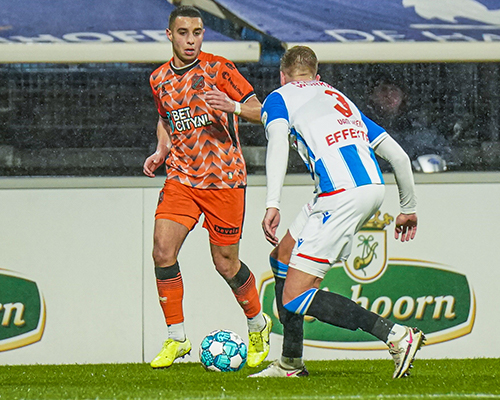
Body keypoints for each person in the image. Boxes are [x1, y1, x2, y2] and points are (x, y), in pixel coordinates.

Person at [249, 46, 424, 379]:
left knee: (295, 295)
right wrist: (408, 209)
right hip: (368, 186)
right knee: (282, 257)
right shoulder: (338, 98)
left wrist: (273, 203)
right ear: (317, 76)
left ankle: (397, 335)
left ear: (282, 76)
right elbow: (399, 157)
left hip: (339, 194)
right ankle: (290, 362)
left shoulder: (280, 97)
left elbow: (278, 146)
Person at [142, 5, 272, 369]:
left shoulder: (219, 69)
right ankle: (176, 339)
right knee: (161, 251)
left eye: (197, 32)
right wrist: (161, 149)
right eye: (183, 33)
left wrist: (232, 105)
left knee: (225, 264)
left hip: (224, 180)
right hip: (182, 177)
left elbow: (260, 111)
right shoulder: (158, 79)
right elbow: (166, 118)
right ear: (170, 35)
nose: (191, 40)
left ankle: (258, 324)